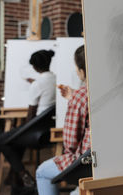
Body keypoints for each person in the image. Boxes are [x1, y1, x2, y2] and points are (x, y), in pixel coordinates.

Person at [36, 45, 91, 195]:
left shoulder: (81, 96)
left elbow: (71, 144)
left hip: (88, 163)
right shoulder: (115, 89)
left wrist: (76, 98)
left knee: (41, 172)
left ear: (82, 71)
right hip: (112, 162)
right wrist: (74, 97)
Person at [0, 49, 56, 188]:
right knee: (15, 139)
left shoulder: (37, 84)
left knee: (2, 139)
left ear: (35, 67)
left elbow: (31, 115)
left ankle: (24, 175)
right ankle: (15, 177)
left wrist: (19, 129)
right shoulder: (55, 79)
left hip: (36, 133)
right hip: (50, 129)